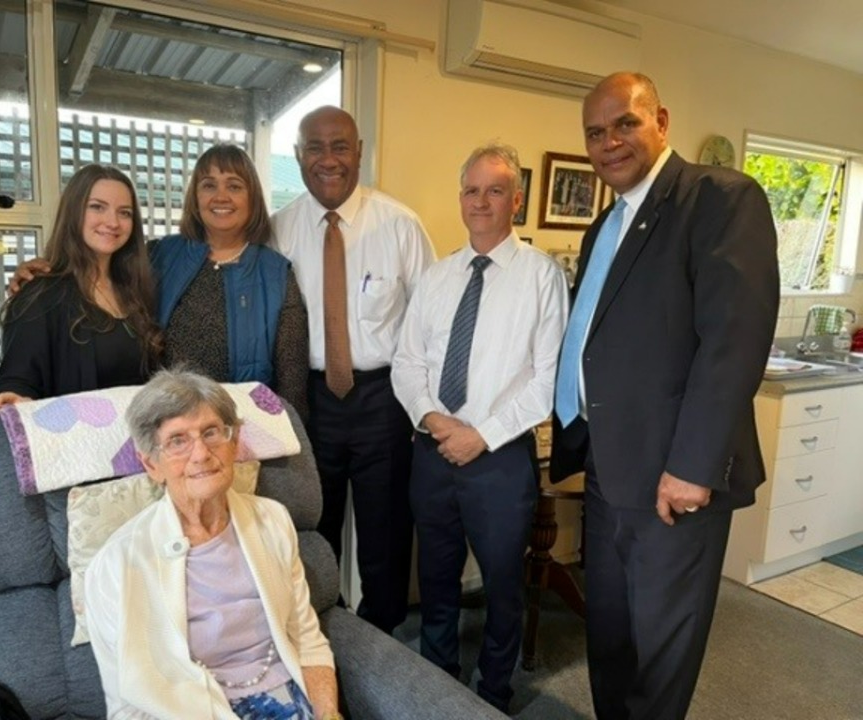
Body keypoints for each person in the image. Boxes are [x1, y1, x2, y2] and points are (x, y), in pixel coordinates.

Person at [549, 72, 779, 720]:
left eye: (625, 123)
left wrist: (693, 467)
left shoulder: (719, 200)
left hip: (674, 480)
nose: (609, 142)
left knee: (660, 652)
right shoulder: (604, 227)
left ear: (662, 121)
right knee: (612, 638)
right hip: (608, 467)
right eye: (596, 132)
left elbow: (733, 342)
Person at [391, 143, 568, 712]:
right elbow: (407, 362)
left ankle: (495, 689)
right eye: (472, 190)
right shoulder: (438, 277)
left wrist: (480, 434)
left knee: (501, 586)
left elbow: (547, 381)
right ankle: (440, 675)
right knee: (437, 578)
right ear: (460, 198)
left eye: (495, 190)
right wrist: (433, 418)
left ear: (515, 199)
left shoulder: (541, 277)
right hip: (433, 451)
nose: (482, 201)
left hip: (498, 459)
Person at [84, 368, 341, 720]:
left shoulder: (273, 521)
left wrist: (329, 715)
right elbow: (127, 706)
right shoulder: (116, 564)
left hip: (289, 700)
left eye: (211, 432)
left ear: (234, 443)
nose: (201, 453)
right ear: (150, 464)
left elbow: (309, 643)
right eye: (177, 441)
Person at [271, 106, 436, 634]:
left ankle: (382, 634)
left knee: (385, 532)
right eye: (314, 148)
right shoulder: (277, 230)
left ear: (359, 151)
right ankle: (327, 634)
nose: (328, 159)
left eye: (339, 146)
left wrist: (423, 407)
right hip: (307, 399)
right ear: (298, 156)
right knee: (313, 529)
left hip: (382, 399)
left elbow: (432, 322)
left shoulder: (400, 225)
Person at [5, 145, 310, 418]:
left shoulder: (275, 273)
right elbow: (93, 265)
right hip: (160, 428)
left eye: (235, 185)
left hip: (240, 427)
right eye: (208, 185)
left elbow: (292, 378)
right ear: (195, 196)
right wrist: (43, 270)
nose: (221, 196)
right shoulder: (160, 256)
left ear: (253, 197)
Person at [0, 164, 161, 415]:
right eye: (97, 207)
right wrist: (13, 399)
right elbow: (17, 380)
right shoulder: (39, 294)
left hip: (139, 446)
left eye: (125, 213)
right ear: (74, 212)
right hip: (77, 446)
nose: (113, 222)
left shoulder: (137, 289)